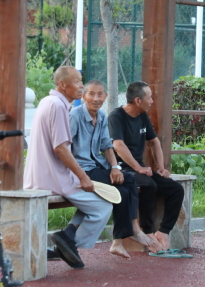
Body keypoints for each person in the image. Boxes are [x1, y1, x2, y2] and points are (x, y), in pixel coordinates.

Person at [23, 66, 113, 269]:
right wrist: (83, 177)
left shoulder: (48, 101)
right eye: (77, 81)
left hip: (41, 175)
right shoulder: (57, 105)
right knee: (103, 207)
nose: (81, 86)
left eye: (81, 81)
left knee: (98, 199)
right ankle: (68, 244)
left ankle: (67, 239)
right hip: (53, 179)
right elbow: (61, 148)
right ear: (62, 85)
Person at [69, 80, 160, 259]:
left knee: (125, 187)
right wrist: (75, 173)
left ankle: (118, 241)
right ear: (84, 96)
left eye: (100, 94)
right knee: (128, 182)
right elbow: (64, 147)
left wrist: (115, 167)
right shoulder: (75, 115)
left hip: (96, 166)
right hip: (81, 170)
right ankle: (132, 231)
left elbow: (107, 145)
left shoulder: (102, 116)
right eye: (91, 94)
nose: (96, 98)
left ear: (106, 96)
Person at [108, 81, 184, 252]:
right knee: (148, 185)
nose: (151, 101)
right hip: (121, 169)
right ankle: (147, 231)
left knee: (175, 189)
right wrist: (138, 168)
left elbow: (155, 142)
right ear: (138, 100)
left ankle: (163, 232)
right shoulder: (116, 117)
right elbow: (118, 145)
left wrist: (161, 167)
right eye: (149, 98)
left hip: (139, 169)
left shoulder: (142, 116)